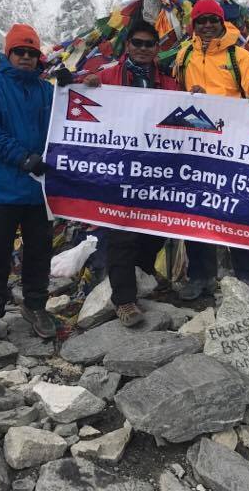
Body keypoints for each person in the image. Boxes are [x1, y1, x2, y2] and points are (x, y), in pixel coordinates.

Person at [173, 0, 249, 300]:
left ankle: (246, 276)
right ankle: (200, 276)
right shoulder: (185, 54)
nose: (207, 26)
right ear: (194, 24)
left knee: (238, 210)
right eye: (201, 21)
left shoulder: (238, 55)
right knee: (197, 211)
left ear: (221, 22)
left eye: (212, 20)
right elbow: (175, 91)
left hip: (233, 146)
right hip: (196, 146)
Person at [0, 23, 69, 338]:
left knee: (39, 250)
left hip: (38, 189)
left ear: (38, 57)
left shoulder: (48, 91)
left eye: (31, 52)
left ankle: (35, 305)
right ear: (9, 54)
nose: (26, 57)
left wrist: (72, 91)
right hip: (2, 187)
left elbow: (69, 124)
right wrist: (22, 157)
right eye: (20, 51)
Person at [84, 19, 177, 325]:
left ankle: (141, 276)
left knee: (154, 230)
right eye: (137, 43)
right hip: (118, 166)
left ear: (156, 49)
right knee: (121, 232)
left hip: (154, 170)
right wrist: (85, 82)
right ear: (127, 45)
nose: (143, 49)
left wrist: (196, 97)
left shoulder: (168, 83)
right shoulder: (108, 77)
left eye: (149, 44)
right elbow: (79, 88)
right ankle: (124, 300)